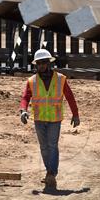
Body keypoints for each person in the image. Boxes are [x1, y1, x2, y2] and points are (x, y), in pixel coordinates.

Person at [19, 48, 80, 189]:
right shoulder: (31, 81)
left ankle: (51, 173)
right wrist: (23, 111)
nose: (41, 66)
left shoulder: (60, 79)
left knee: (52, 146)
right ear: (36, 65)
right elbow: (25, 97)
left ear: (48, 63)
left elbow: (70, 97)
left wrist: (75, 115)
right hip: (39, 119)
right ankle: (49, 172)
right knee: (44, 147)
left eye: (44, 63)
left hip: (54, 119)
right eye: (39, 63)